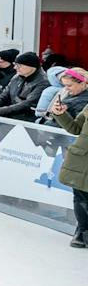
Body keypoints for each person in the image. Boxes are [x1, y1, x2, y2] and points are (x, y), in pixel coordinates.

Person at [45, 95, 88, 248]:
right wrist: (61, 113)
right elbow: (75, 128)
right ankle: (82, 231)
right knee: (80, 197)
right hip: (81, 159)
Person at [0, 51, 47, 121]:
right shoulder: (17, 77)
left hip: (29, 121)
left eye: (19, 65)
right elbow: (3, 96)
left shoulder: (43, 82)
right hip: (13, 119)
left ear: (31, 66)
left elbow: (26, 105)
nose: (15, 68)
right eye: (15, 64)